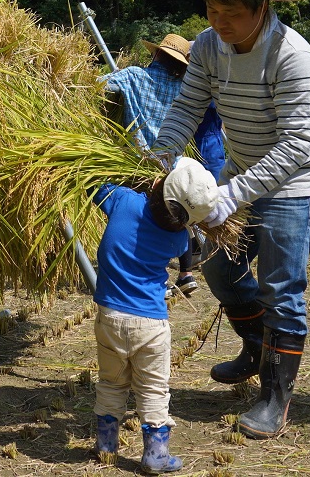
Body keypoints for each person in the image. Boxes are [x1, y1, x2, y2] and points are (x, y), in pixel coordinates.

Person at [156, 0, 310, 440]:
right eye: (213, 12)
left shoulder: (291, 54)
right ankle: (256, 343)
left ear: (262, 10)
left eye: (233, 14)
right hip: (241, 171)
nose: (220, 23)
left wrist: (233, 195)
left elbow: (298, 142)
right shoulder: (208, 45)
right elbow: (188, 104)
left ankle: (276, 396)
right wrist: (160, 156)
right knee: (218, 267)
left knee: (280, 288)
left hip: (293, 183)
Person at [91, 158, 219, 474]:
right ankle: (155, 455)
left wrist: (127, 171)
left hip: (109, 317)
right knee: (152, 389)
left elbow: (94, 185)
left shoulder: (124, 200)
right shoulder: (177, 239)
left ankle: (106, 445)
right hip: (150, 325)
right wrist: (187, 272)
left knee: (111, 381)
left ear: (158, 185)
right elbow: (186, 245)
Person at [101, 35, 223, 297]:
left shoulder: (134, 76)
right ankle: (186, 274)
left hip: (138, 163)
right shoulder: (183, 86)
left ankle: (153, 278)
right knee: (178, 216)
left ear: (157, 55)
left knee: (144, 218)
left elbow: (101, 86)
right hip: (173, 164)